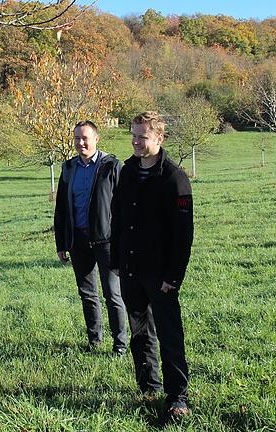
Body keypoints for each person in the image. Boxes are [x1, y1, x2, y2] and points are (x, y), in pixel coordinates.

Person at [110, 112, 194, 422]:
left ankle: (177, 396)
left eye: (142, 136)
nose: (135, 140)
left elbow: (184, 234)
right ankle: (148, 386)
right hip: (131, 269)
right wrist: (117, 260)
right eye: (133, 134)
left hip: (161, 275)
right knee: (139, 332)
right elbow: (117, 217)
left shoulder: (174, 177)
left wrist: (174, 276)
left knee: (170, 335)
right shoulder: (127, 171)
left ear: (158, 138)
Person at [54, 120, 128, 355]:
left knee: (112, 294)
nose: (80, 142)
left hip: (107, 241)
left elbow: (124, 207)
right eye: (77, 138)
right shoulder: (68, 169)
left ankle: (120, 345)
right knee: (87, 294)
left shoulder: (112, 166)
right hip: (78, 241)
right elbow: (61, 209)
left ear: (96, 139)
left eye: (85, 138)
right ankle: (94, 341)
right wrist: (62, 243)